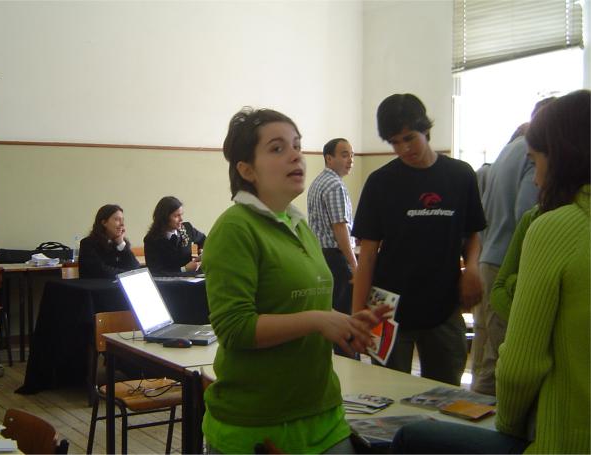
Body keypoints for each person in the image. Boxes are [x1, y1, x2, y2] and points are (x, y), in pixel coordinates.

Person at [392, 89, 590, 454]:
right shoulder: (388, 181)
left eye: (536, 161)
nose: (536, 179)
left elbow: (520, 366)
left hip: (559, 441)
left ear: (561, 156)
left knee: (414, 432)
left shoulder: (552, 225)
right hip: (476, 277)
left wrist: (508, 426)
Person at [202, 107, 390, 454]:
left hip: (323, 412)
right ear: (246, 170)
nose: (295, 156)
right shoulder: (234, 229)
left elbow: (301, 308)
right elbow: (234, 328)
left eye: (297, 146)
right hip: (258, 424)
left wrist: (345, 324)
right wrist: (319, 320)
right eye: (277, 148)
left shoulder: (298, 225)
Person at [351, 93, 486, 386]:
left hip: (444, 307)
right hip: (388, 310)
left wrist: (473, 268)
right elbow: (368, 255)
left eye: (409, 138)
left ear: (426, 129)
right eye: (394, 142)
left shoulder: (461, 175)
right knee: (389, 392)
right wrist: (358, 315)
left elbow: (473, 233)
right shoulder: (380, 182)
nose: (404, 148)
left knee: (446, 394)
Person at [471, 98, 553, 396]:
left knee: (484, 353)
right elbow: (526, 213)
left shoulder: (508, 149)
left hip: (488, 258)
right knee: (502, 356)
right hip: (508, 265)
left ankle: (473, 413)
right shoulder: (533, 153)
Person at [307, 138, 358, 331]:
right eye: (344, 155)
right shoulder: (335, 185)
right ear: (329, 158)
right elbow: (340, 228)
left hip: (319, 255)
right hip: (336, 258)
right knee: (343, 316)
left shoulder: (318, 182)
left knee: (329, 311)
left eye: (352, 155)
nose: (350, 160)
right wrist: (354, 264)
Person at [143, 196, 206, 275]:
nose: (181, 219)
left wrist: (202, 252)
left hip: (194, 277)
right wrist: (184, 269)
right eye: (176, 216)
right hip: (172, 281)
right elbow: (156, 272)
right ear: (164, 218)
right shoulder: (151, 240)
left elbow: (204, 240)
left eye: (181, 215)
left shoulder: (187, 228)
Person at [78, 204, 140, 279]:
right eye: (117, 219)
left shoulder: (120, 243)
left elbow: (135, 267)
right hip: (98, 285)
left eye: (122, 220)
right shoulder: (88, 244)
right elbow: (101, 271)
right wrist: (127, 274)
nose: (122, 224)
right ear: (104, 222)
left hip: (117, 284)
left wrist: (121, 244)